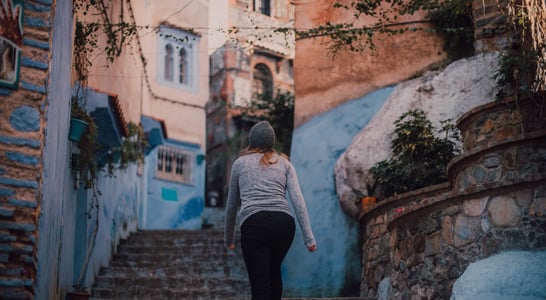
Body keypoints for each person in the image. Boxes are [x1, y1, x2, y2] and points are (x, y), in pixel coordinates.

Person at [224, 120, 317, 300]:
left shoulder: (240, 163)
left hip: (254, 224)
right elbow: (298, 200)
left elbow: (232, 204)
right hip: (284, 224)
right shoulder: (285, 164)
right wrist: (309, 238)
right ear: (271, 142)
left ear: (251, 141)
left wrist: (228, 237)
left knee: (260, 285)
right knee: (273, 271)